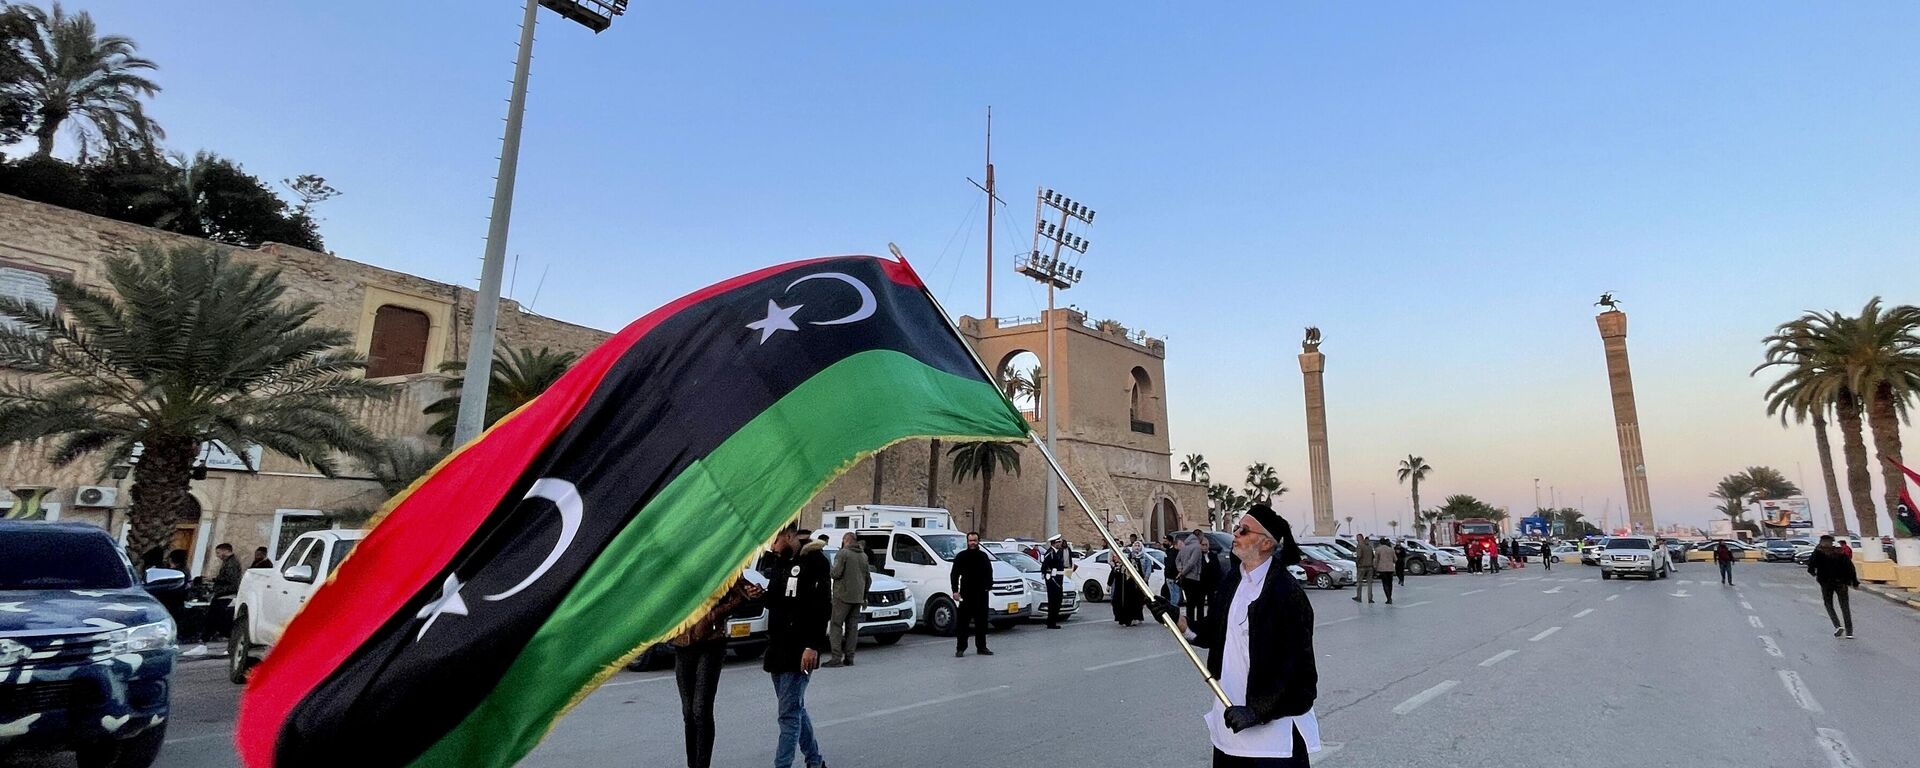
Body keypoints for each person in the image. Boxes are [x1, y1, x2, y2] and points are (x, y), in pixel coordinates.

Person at [1172, 503, 1320, 766]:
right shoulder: (1233, 581)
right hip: (1230, 728)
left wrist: (1257, 712)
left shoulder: (1287, 594)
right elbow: (1214, 632)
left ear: (1265, 543)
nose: (1236, 534)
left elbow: (1300, 672)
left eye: (1243, 530)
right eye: (1238, 527)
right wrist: (1178, 620)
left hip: (1272, 741)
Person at [670, 574, 764, 768]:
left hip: (711, 642)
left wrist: (715, 614)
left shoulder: (720, 561)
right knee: (688, 712)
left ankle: (702, 765)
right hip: (683, 643)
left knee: (700, 709)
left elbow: (741, 596)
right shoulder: (677, 567)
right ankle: (692, 764)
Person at [763, 523, 831, 768]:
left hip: (801, 649)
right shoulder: (780, 562)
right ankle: (815, 761)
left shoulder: (816, 562)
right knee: (795, 709)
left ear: (789, 535)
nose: (771, 545)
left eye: (774, 539)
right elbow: (774, 599)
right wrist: (756, 593)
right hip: (778, 647)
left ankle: (783, 765)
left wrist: (812, 645)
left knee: (788, 715)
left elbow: (822, 607)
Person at [825, 532, 869, 667]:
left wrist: (830, 570)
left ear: (845, 540)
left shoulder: (843, 554)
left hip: (842, 595)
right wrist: (864, 596)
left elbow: (836, 573)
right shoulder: (863, 555)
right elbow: (868, 578)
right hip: (858, 597)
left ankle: (836, 658)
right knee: (852, 628)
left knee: (836, 625)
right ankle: (850, 657)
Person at [951, 531, 996, 656]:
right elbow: (954, 574)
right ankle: (960, 648)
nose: (972, 543)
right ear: (967, 541)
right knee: (963, 623)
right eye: (970, 541)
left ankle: (981, 647)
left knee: (981, 622)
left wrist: (988, 586)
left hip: (981, 594)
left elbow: (989, 572)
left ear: (978, 541)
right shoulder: (961, 556)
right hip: (966, 593)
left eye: (974, 540)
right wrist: (955, 591)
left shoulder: (983, 556)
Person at [1807, 535, 1858, 638]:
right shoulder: (1840, 553)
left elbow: (1811, 566)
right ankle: (1849, 632)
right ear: (1832, 542)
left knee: (1828, 604)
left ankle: (1837, 625)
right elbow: (1850, 567)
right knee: (1844, 606)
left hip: (1826, 583)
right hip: (1841, 583)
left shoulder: (1817, 553)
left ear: (1821, 542)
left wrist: (1814, 573)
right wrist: (1854, 581)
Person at [207, 543, 243, 644]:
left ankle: (230, 641)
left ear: (226, 551)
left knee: (219, 620)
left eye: (218, 553)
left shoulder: (232, 563)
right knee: (214, 619)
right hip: (223, 594)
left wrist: (215, 579)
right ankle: (205, 640)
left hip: (225, 594)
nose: (217, 555)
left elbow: (230, 578)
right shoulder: (228, 562)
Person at [1042, 534, 1073, 628]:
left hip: (1059, 579)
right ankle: (1051, 623)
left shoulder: (1058, 552)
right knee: (1054, 601)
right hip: (1053, 580)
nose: (1060, 544)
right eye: (1058, 542)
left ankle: (1051, 620)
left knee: (1057, 601)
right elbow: (1044, 566)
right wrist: (1050, 576)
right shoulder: (1050, 553)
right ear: (1054, 543)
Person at [1179, 529, 1208, 626]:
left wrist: (1181, 570)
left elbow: (1177, 560)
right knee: (1198, 603)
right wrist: (1183, 572)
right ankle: (1197, 623)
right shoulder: (1196, 547)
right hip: (1194, 577)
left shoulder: (1184, 546)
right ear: (1199, 536)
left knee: (1189, 603)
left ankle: (1189, 622)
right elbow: (1192, 562)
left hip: (1186, 579)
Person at [1351, 533, 1376, 603]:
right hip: (1370, 567)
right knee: (1369, 583)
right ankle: (1370, 598)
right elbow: (1373, 556)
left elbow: (1359, 556)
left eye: (1357, 538)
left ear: (1360, 538)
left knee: (1359, 582)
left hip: (1362, 567)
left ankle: (1359, 597)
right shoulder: (1369, 547)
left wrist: (1357, 562)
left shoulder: (1359, 546)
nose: (1356, 539)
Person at [1372, 538, 1396, 604]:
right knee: (1390, 584)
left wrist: (1375, 567)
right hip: (1390, 569)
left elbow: (1376, 560)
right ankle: (1390, 596)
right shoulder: (1391, 549)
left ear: (1380, 542)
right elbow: (1395, 559)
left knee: (1385, 583)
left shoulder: (1378, 549)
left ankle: (1388, 598)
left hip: (1382, 569)